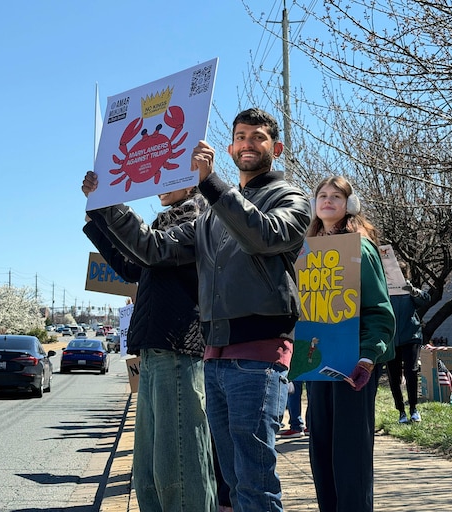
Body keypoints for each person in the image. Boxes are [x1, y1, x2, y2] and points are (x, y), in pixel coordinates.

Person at [84, 107, 311, 512]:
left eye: (257, 137)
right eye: (240, 137)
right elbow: (152, 249)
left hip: (258, 356)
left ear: (275, 148)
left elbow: (264, 235)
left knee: (255, 483)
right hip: (215, 357)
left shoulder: (289, 198)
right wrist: (108, 203)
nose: (247, 144)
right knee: (232, 484)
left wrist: (211, 185)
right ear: (231, 147)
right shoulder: (212, 217)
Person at [81, 185, 219, 512]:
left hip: (178, 350)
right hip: (155, 351)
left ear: (190, 180)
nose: (158, 185)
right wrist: (97, 219)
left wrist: (108, 205)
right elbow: (131, 266)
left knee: (179, 465)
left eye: (167, 177)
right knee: (148, 471)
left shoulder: (200, 218)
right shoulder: (165, 224)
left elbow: (152, 249)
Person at [305, 176, 395, 512]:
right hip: (317, 365)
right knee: (321, 452)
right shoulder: (307, 251)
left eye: (336, 196)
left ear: (350, 204)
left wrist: (368, 357)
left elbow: (379, 311)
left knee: (350, 456)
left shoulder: (361, 248)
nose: (328, 200)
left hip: (353, 364)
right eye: (322, 195)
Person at [386, 261, 431, 424]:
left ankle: (413, 409)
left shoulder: (408, 289)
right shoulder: (385, 289)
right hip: (391, 338)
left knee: (411, 371)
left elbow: (426, 300)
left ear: (405, 274)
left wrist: (414, 292)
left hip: (411, 336)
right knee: (394, 375)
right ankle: (401, 411)